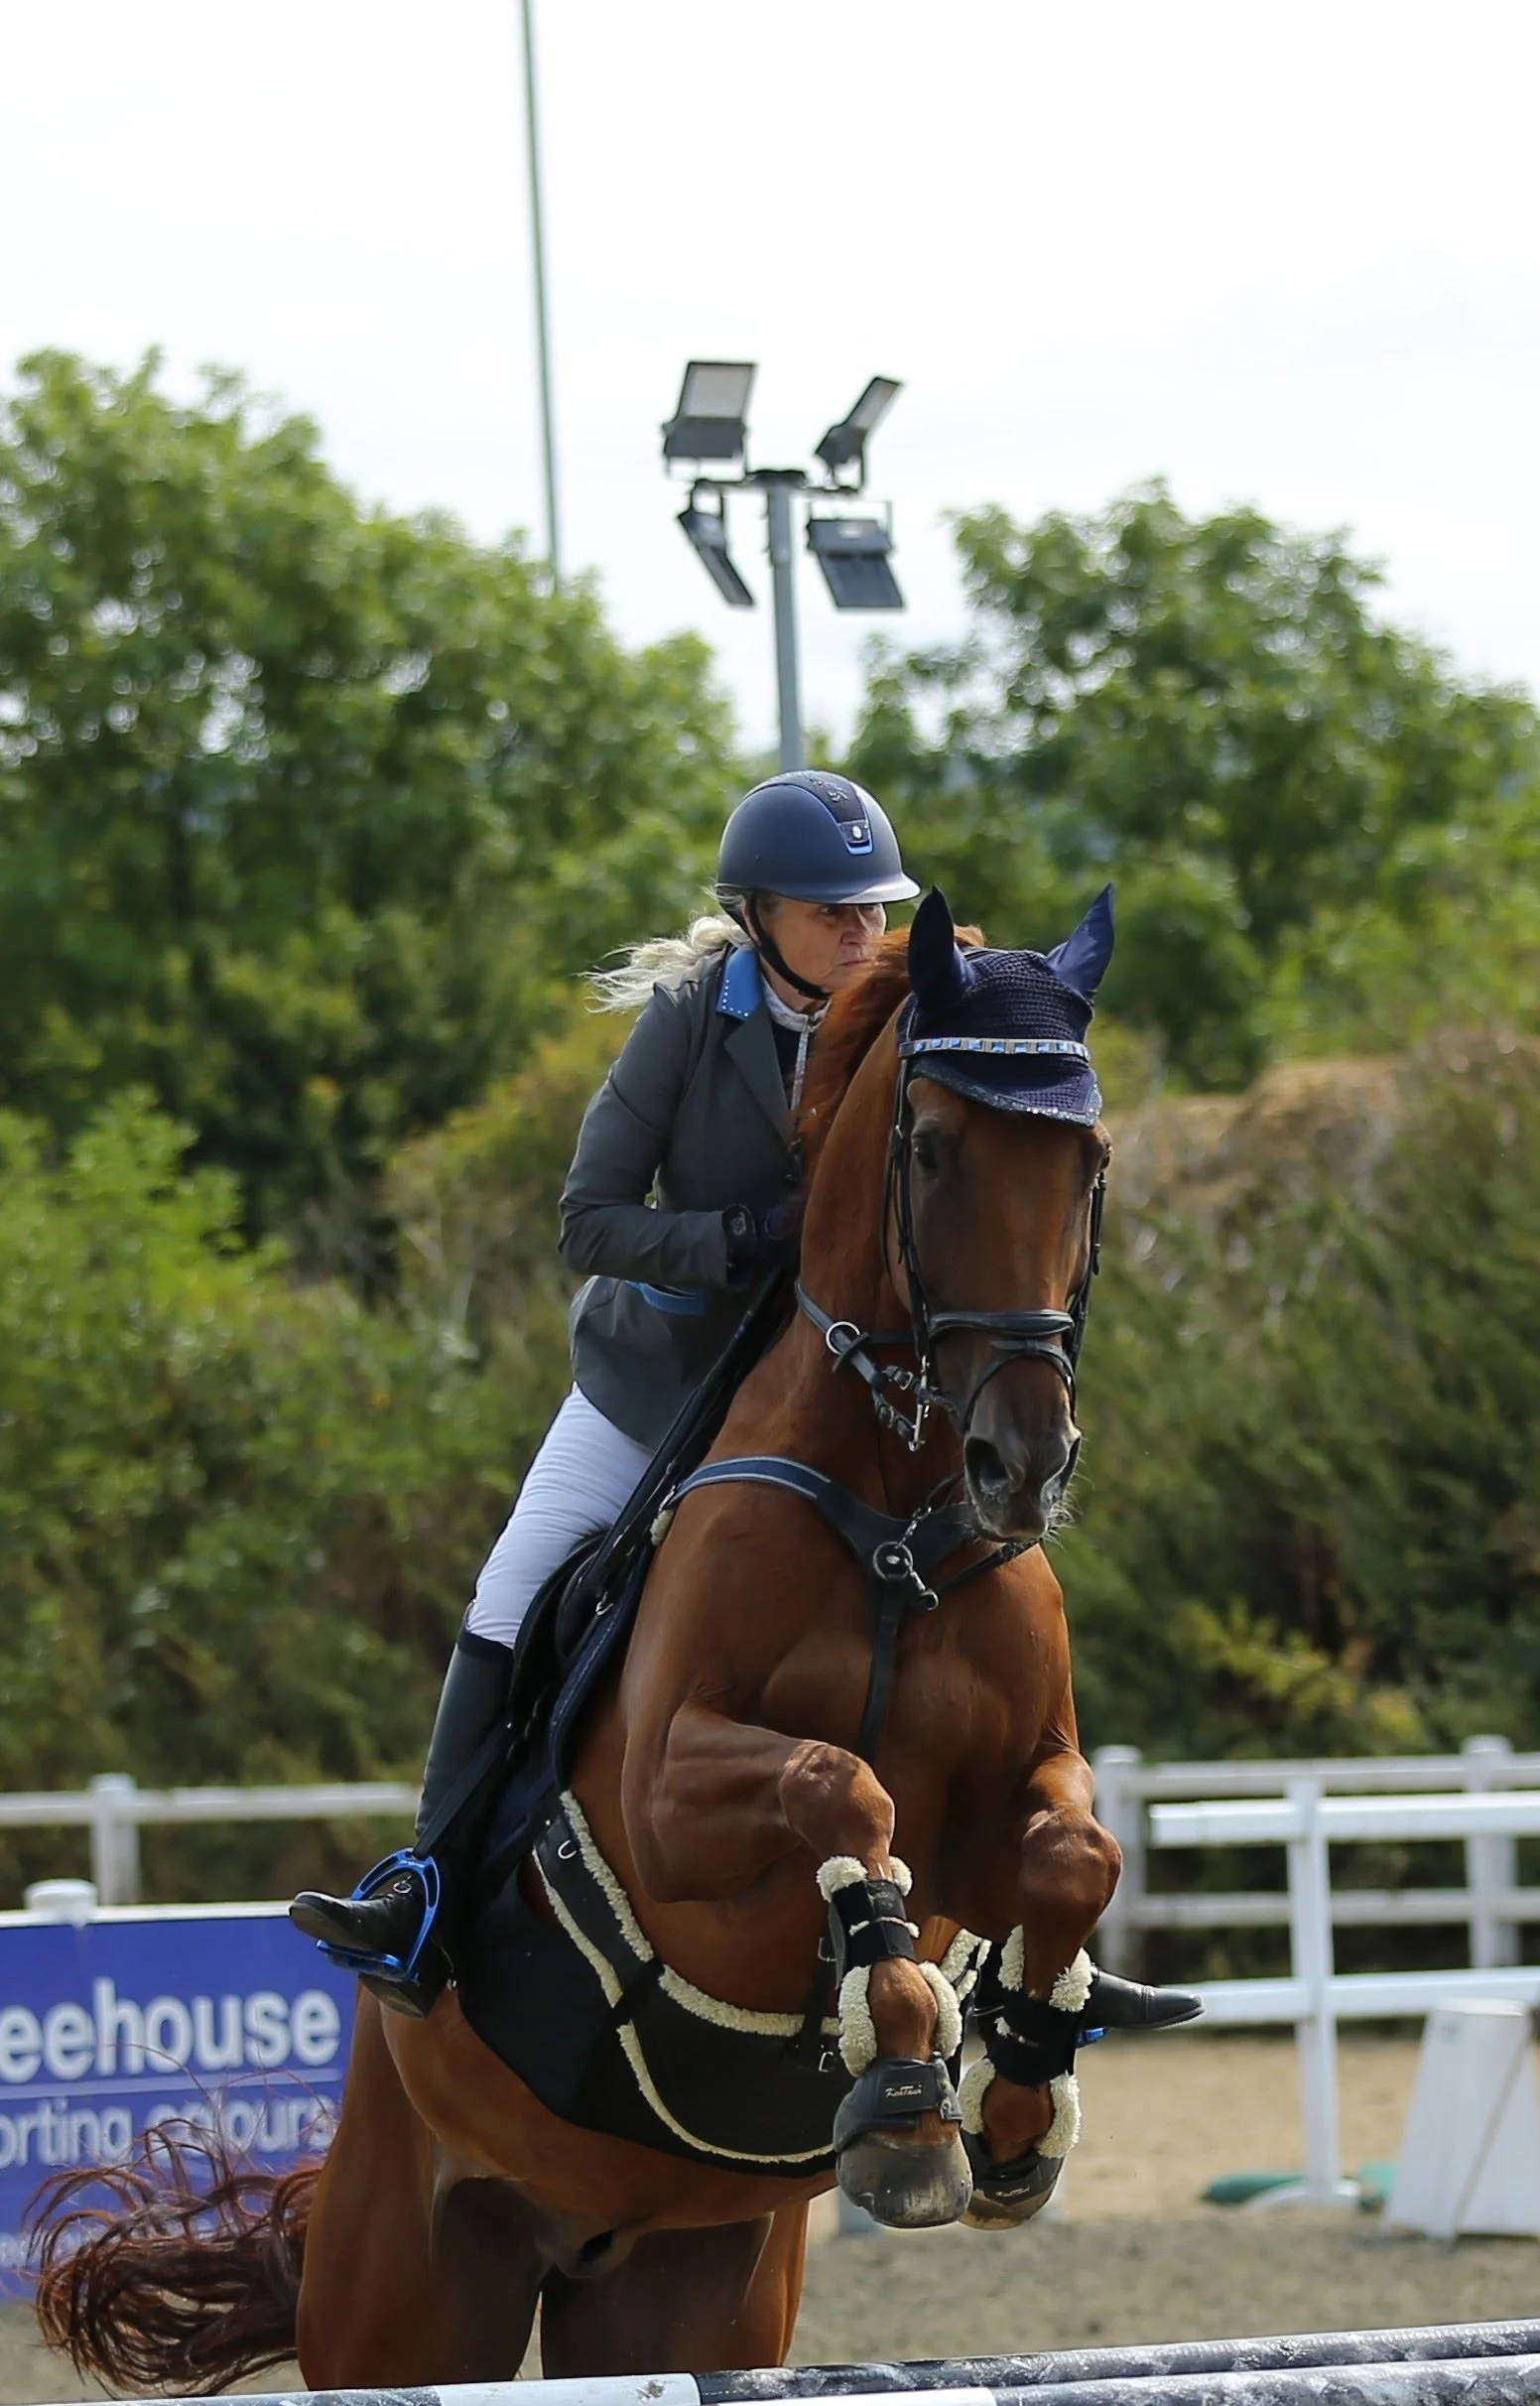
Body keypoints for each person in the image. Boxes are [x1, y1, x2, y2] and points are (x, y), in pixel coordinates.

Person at [290, 770, 920, 2012]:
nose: (861, 933)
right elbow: (589, 1220)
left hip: (834, 1401)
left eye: (871, 911)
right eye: (831, 913)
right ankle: (423, 1885)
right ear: (758, 917)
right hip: (662, 1387)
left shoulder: (913, 1019)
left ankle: (1026, 1909)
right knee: (514, 1586)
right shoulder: (691, 1020)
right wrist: (739, 1234)